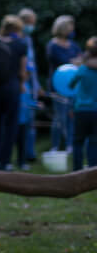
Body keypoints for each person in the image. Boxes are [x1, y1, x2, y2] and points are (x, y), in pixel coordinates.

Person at [0, 15, 28, 171]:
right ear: (18, 29)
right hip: (12, 88)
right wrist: (22, 84)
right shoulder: (21, 44)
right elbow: (23, 71)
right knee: (10, 125)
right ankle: (6, 161)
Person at [46, 15, 83, 152]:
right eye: (70, 26)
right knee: (58, 117)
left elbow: (81, 59)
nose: (72, 29)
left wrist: (74, 61)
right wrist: (74, 61)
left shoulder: (74, 45)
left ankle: (70, 145)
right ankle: (55, 146)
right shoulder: (52, 45)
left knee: (71, 116)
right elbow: (62, 62)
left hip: (73, 87)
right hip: (57, 88)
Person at [17, 8, 42, 164]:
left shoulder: (29, 40)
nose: (32, 26)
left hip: (30, 84)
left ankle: (30, 153)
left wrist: (37, 85)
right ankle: (24, 154)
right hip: (22, 85)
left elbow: (33, 65)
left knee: (31, 121)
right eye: (31, 23)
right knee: (23, 120)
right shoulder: (19, 40)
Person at [68, 38, 97, 171]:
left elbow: (71, 84)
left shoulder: (82, 69)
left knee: (78, 141)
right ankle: (92, 171)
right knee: (94, 142)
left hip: (81, 110)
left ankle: (77, 170)